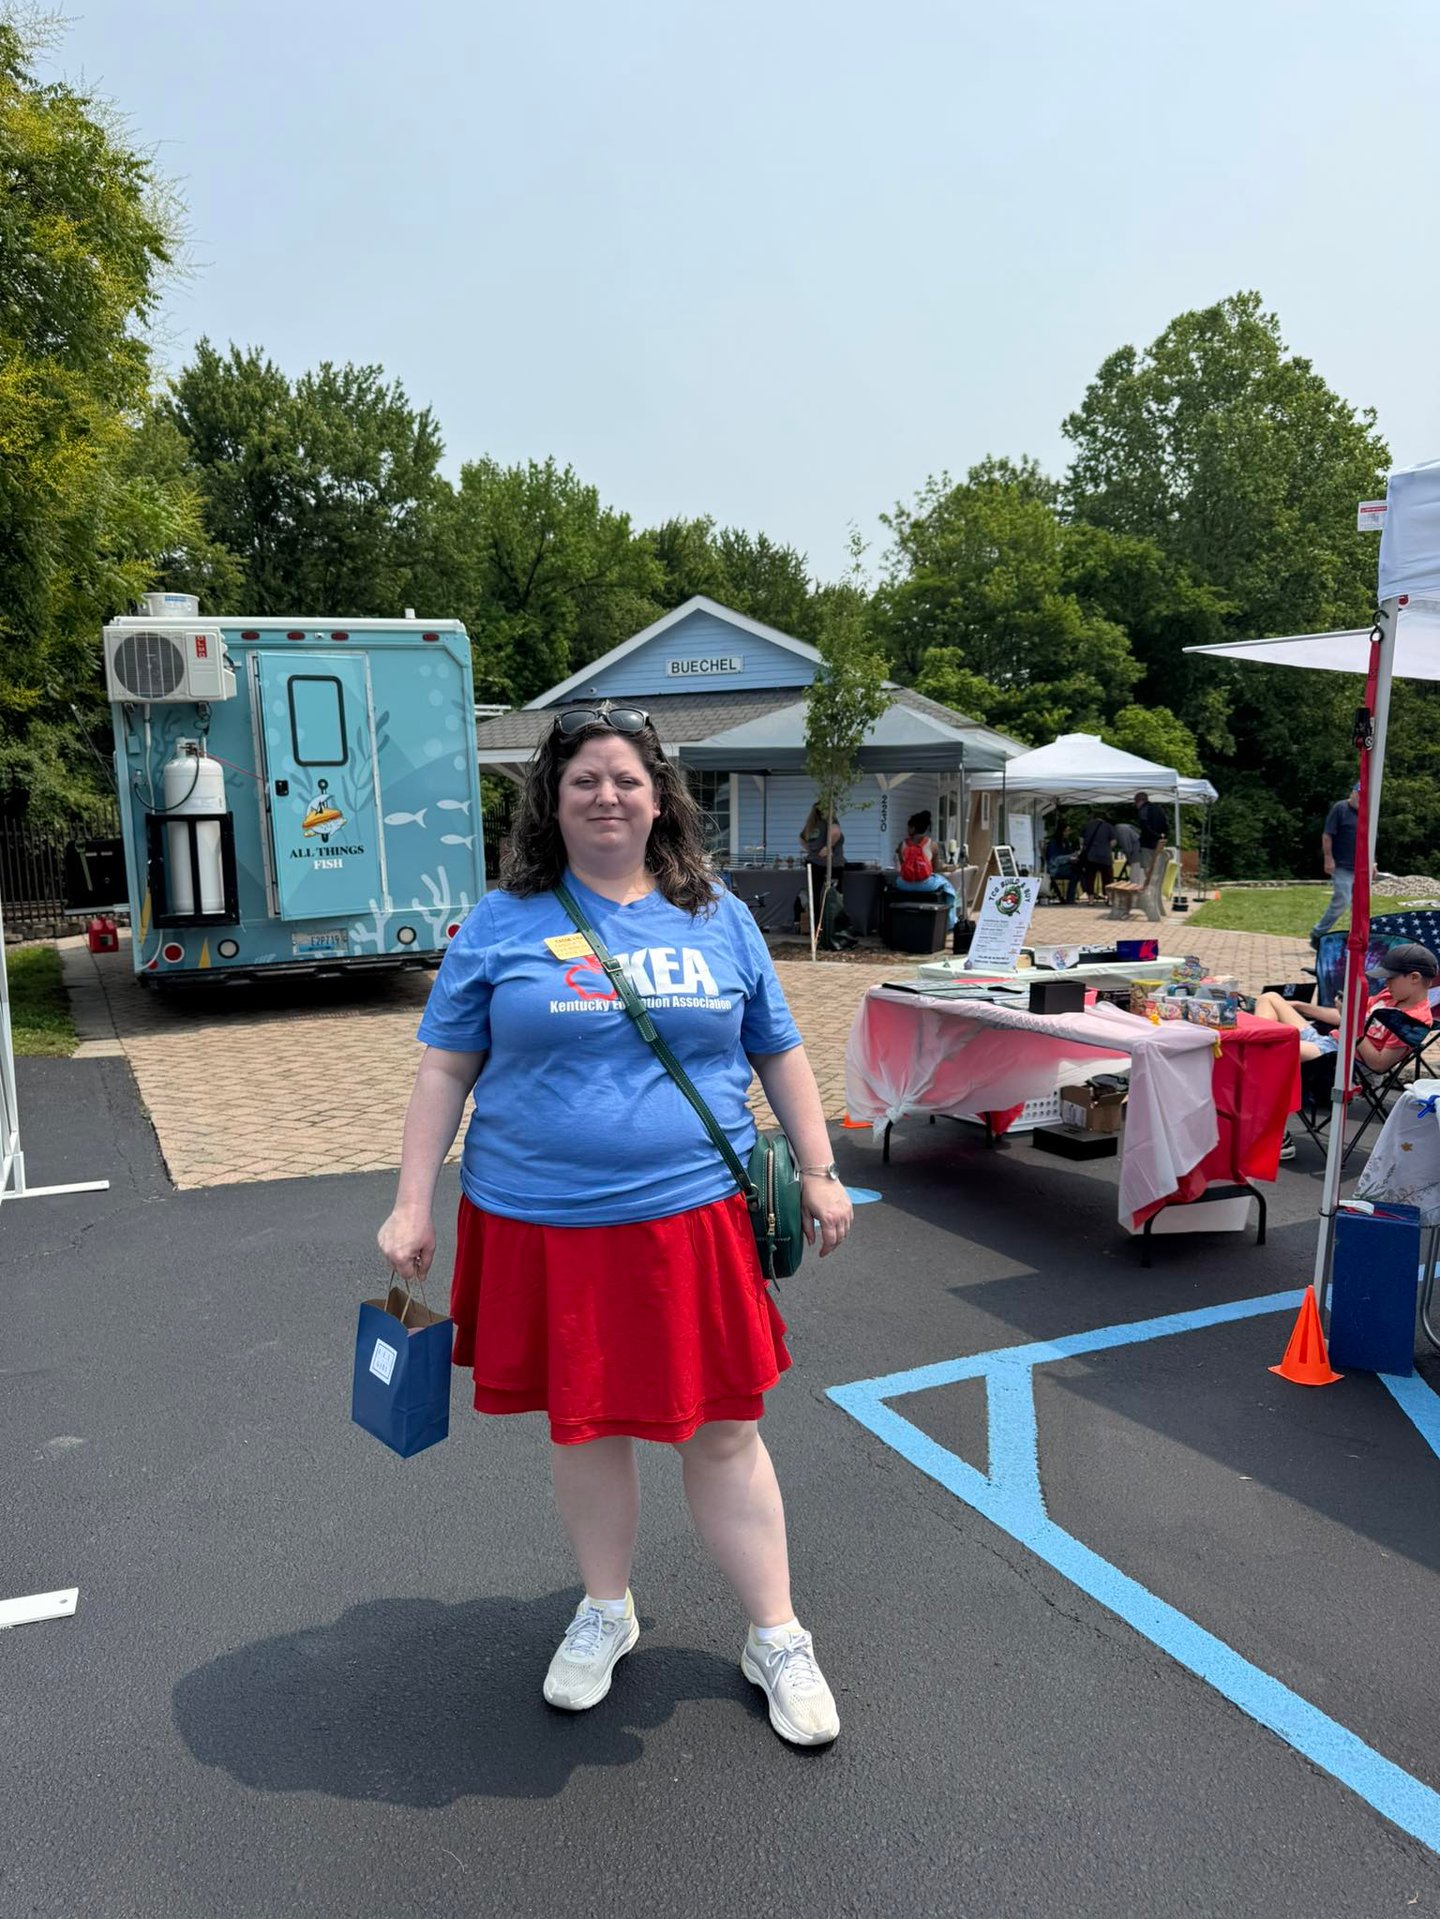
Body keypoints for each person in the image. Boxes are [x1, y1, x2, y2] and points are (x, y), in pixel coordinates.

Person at [378, 703, 852, 1747]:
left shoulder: (715, 915)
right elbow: (444, 1067)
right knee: (584, 1423)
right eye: (585, 777)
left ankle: (776, 1633)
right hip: (539, 1220)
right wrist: (412, 1198)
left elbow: (779, 1048)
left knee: (724, 1429)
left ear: (659, 796)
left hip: (691, 1219)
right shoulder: (502, 920)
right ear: (553, 798)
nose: (607, 793)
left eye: (626, 778)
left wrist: (818, 1170)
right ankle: (606, 1608)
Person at [1252, 941, 1437, 1160]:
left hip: (1344, 1063)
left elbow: (1378, 1064)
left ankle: (1277, 1134)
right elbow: (1342, 1017)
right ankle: (1256, 1050)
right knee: (1270, 998)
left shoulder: (1414, 1020)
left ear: (1414, 978)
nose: (1385, 982)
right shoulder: (1389, 996)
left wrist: (1352, 1024)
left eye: (1391, 977)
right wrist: (1300, 1006)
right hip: (1330, 1042)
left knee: (1271, 1051)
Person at [1312, 781, 1361, 948]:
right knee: (1342, 901)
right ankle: (1318, 933)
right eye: (1358, 794)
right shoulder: (1340, 808)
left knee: (1360, 905)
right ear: (1352, 792)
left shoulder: (1367, 813)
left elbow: (1370, 839)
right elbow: (1327, 835)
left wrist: (1373, 862)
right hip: (1341, 865)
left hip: (1361, 867)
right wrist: (1328, 858)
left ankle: (1355, 938)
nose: (1360, 799)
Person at [891, 809, 958, 929]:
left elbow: (903, 867)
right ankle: (950, 923)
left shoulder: (902, 844)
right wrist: (950, 867)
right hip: (926, 885)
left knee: (896, 880)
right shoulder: (932, 844)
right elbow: (936, 868)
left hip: (904, 884)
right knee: (948, 887)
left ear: (912, 828)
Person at [1078, 812, 1116, 903]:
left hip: (1091, 856)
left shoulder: (1087, 826)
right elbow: (1113, 842)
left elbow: (1081, 840)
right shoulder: (1109, 827)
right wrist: (1106, 848)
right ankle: (1109, 899)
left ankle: (1091, 900)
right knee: (1107, 878)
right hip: (1105, 856)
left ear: (1094, 817)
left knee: (1090, 877)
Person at [1131, 792, 1168, 885]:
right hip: (1159, 842)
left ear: (1139, 801)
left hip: (1147, 843)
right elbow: (1166, 825)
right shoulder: (1158, 809)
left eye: (1136, 803)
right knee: (1156, 867)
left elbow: (1145, 826)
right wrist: (1162, 836)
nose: (1136, 806)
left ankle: (1150, 886)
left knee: (1147, 867)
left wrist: (1154, 835)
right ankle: (1156, 886)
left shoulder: (1143, 810)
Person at [799, 802, 844, 876]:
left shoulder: (812, 824)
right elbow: (835, 832)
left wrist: (812, 850)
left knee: (814, 887)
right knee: (830, 887)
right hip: (830, 865)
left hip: (812, 863)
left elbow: (802, 839)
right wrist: (828, 847)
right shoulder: (830, 821)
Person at [1042, 824, 1081, 905]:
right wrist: (1070, 857)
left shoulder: (1066, 842)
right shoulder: (1054, 843)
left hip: (1064, 867)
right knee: (1076, 873)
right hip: (1055, 869)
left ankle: (1072, 897)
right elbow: (1054, 860)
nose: (1068, 833)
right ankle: (1071, 898)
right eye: (1066, 831)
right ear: (1061, 832)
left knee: (1078, 870)